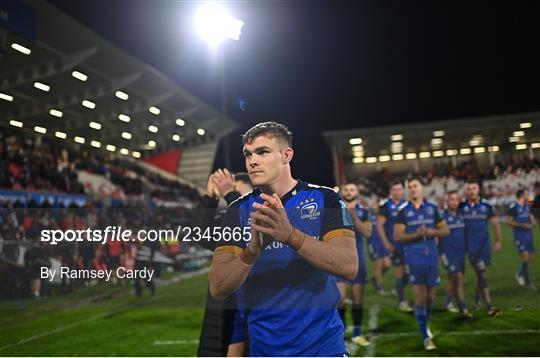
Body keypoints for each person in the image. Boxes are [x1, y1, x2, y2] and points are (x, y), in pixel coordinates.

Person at [208, 122, 358, 356]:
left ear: (286, 155)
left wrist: (290, 236)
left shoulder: (326, 199)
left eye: (263, 152)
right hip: (264, 350)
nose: (252, 161)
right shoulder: (236, 211)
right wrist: (251, 253)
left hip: (323, 348)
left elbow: (348, 266)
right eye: (248, 154)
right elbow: (218, 288)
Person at [198, 169, 253, 357]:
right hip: (226, 304)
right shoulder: (228, 221)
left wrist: (231, 194)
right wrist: (210, 198)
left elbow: (247, 226)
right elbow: (202, 236)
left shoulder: (260, 218)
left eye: (239, 192)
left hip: (252, 306)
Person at [394, 178, 449, 351]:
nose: (412, 190)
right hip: (413, 257)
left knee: (431, 297)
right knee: (420, 297)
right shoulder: (403, 211)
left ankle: (426, 322)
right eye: (409, 187)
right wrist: (417, 234)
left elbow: (445, 230)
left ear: (422, 189)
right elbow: (398, 236)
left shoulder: (432, 209)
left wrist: (432, 232)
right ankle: (425, 336)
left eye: (415, 186)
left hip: (432, 257)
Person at [336, 183, 371, 347]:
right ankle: (341, 330)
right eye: (347, 189)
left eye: (353, 189)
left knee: (357, 297)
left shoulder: (363, 210)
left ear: (357, 193)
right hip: (339, 257)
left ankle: (357, 332)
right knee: (340, 299)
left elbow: (368, 232)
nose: (349, 192)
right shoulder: (335, 207)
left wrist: (354, 217)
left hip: (358, 258)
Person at [459, 182, 502, 316]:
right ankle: (489, 306)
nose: (471, 191)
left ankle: (477, 301)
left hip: (484, 245)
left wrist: (498, 241)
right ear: (466, 192)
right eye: (469, 189)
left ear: (478, 190)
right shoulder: (461, 207)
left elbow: (495, 224)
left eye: (474, 188)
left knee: (480, 274)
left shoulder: (487, 206)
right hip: (470, 246)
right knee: (481, 272)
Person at [377, 180, 412, 312]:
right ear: (391, 192)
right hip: (394, 245)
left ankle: (398, 289)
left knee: (409, 273)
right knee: (400, 272)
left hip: (409, 244)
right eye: (395, 189)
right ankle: (402, 301)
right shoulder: (386, 206)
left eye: (399, 189)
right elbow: (379, 226)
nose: (398, 192)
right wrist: (386, 242)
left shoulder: (408, 205)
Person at [440, 191, 472, 319]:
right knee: (457, 278)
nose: (454, 202)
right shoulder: (442, 217)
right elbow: (438, 237)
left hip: (460, 253)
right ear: (447, 202)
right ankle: (463, 308)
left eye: (456, 199)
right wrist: (441, 254)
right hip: (448, 253)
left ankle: (448, 302)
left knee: (453, 279)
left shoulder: (461, 216)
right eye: (451, 199)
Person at [505, 189, 536, 289]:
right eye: (527, 194)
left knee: (530, 258)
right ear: (522, 195)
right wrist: (522, 225)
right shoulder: (514, 207)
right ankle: (527, 283)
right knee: (526, 257)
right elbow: (508, 222)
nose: (529, 195)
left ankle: (520, 274)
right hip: (519, 236)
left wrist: (533, 222)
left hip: (528, 235)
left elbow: (531, 217)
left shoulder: (527, 206)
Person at [368, 198, 391, 295]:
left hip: (382, 242)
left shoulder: (382, 216)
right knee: (379, 265)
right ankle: (380, 288)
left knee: (387, 264)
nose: (375, 207)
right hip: (373, 243)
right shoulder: (368, 216)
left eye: (376, 205)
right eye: (373, 205)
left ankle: (374, 278)